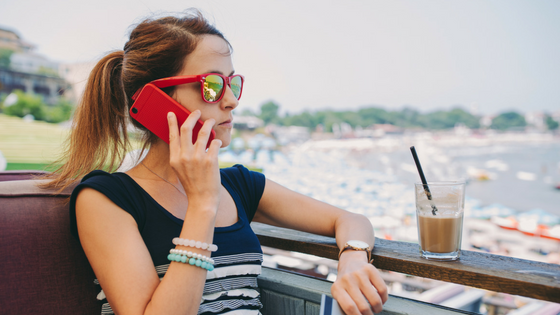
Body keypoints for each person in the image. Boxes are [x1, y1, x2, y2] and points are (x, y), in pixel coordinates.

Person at [44, 9, 388, 315]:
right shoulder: (107, 199)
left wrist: (353, 258)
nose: (231, 101)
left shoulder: (239, 184)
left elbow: (350, 220)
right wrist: (202, 205)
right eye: (210, 86)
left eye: (232, 82)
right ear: (154, 100)